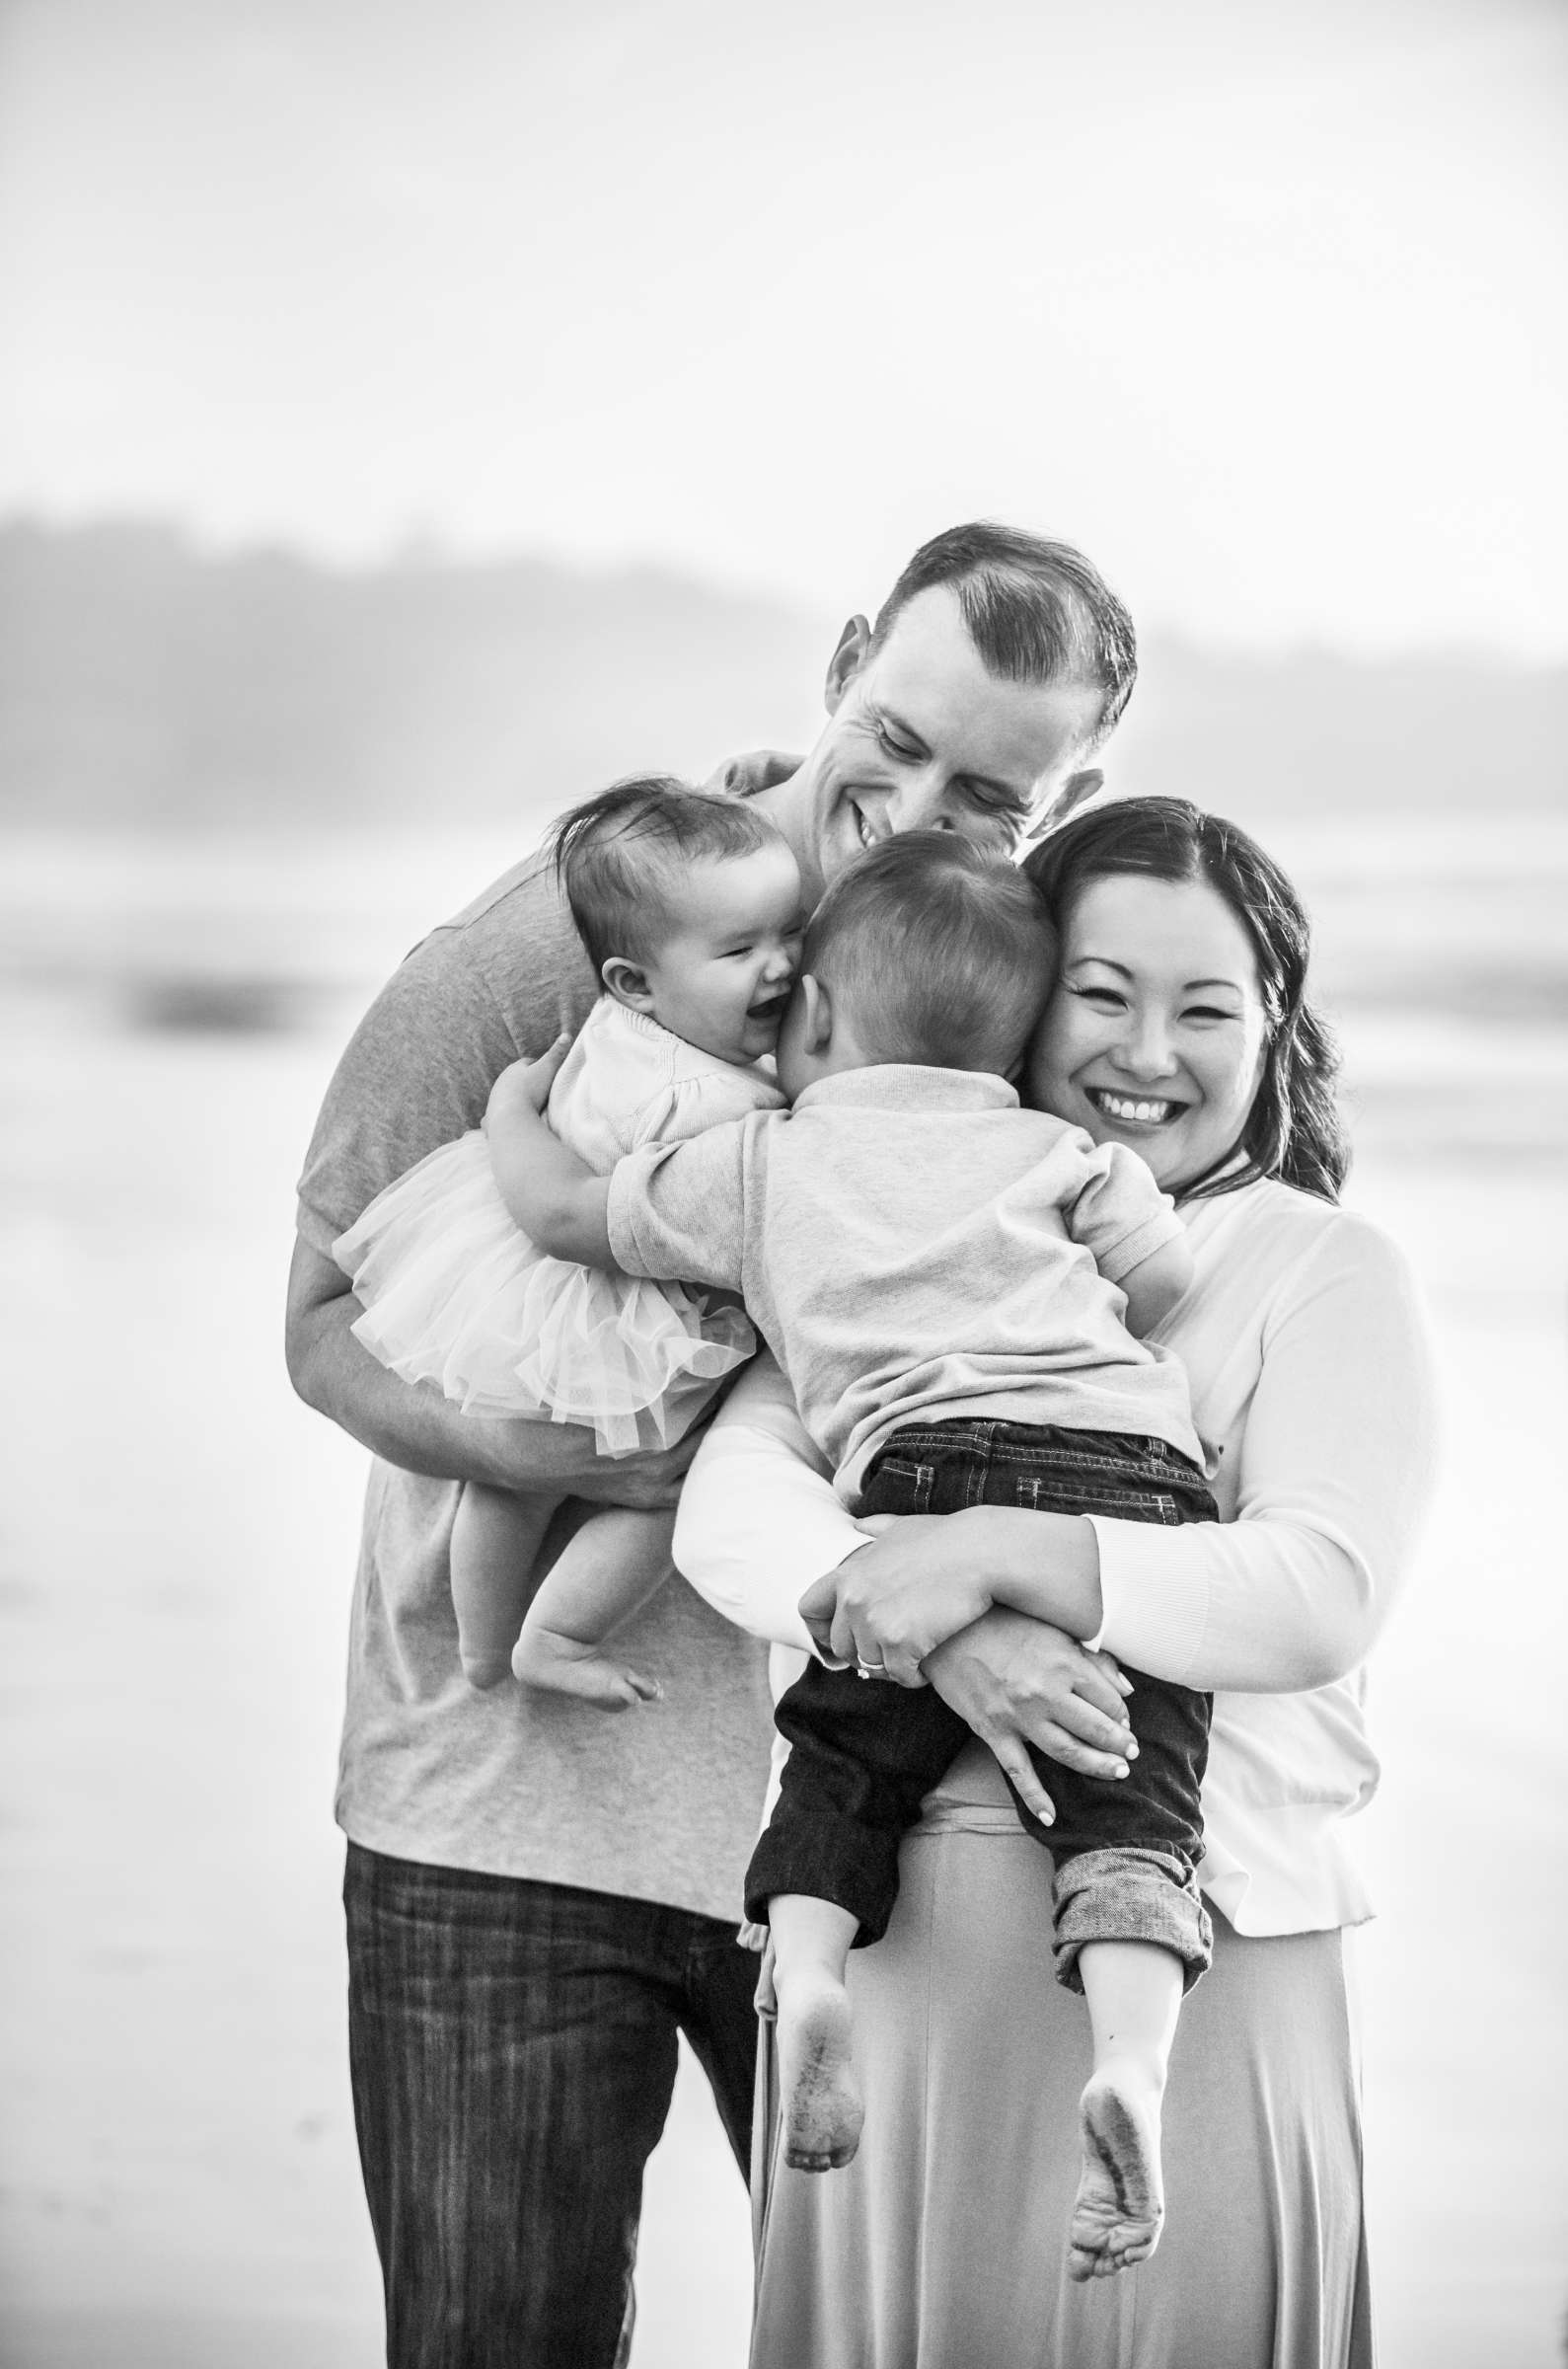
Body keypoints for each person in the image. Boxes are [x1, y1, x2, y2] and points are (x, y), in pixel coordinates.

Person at [284, 520, 1136, 2365]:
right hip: (506, 1821)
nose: (908, 803)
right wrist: (586, 1462)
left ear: (1070, 791)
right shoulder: (574, 925)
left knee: (913, 2345)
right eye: (892, 737)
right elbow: (322, 1320)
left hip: (888, 1841)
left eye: (987, 791)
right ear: (840, 661)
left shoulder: (1014, 972)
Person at [673, 797, 1440, 2368]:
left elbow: (1314, 1593)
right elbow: (732, 1513)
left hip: (1199, 1971)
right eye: (1102, 994)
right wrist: (945, 1639)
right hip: (895, 1974)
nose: (1147, 1051)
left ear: (1273, 1029)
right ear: (1015, 997)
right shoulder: (895, 1241)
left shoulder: (1316, 1269)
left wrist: (991, 1554)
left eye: (1205, 1007)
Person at [485, 829, 1222, 2281]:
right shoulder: (1057, 1145)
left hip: (912, 1477)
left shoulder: (763, 1160)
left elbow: (564, 1214)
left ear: (813, 1015)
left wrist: (518, 1104)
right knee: (1140, 1790)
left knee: (843, 1753)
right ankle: (1130, 2058)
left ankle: (813, 1977)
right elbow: (1162, 1275)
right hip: (1120, 1476)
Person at [334, 779, 803, 1701]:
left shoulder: (618, 1029)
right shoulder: (720, 1102)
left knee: (509, 1485)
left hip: (520, 1285)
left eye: (792, 932)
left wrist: (511, 1106)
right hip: (630, 1303)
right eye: (743, 948)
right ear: (634, 979)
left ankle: (482, 1645)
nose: (782, 966)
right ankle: (558, 1634)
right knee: (670, 1485)